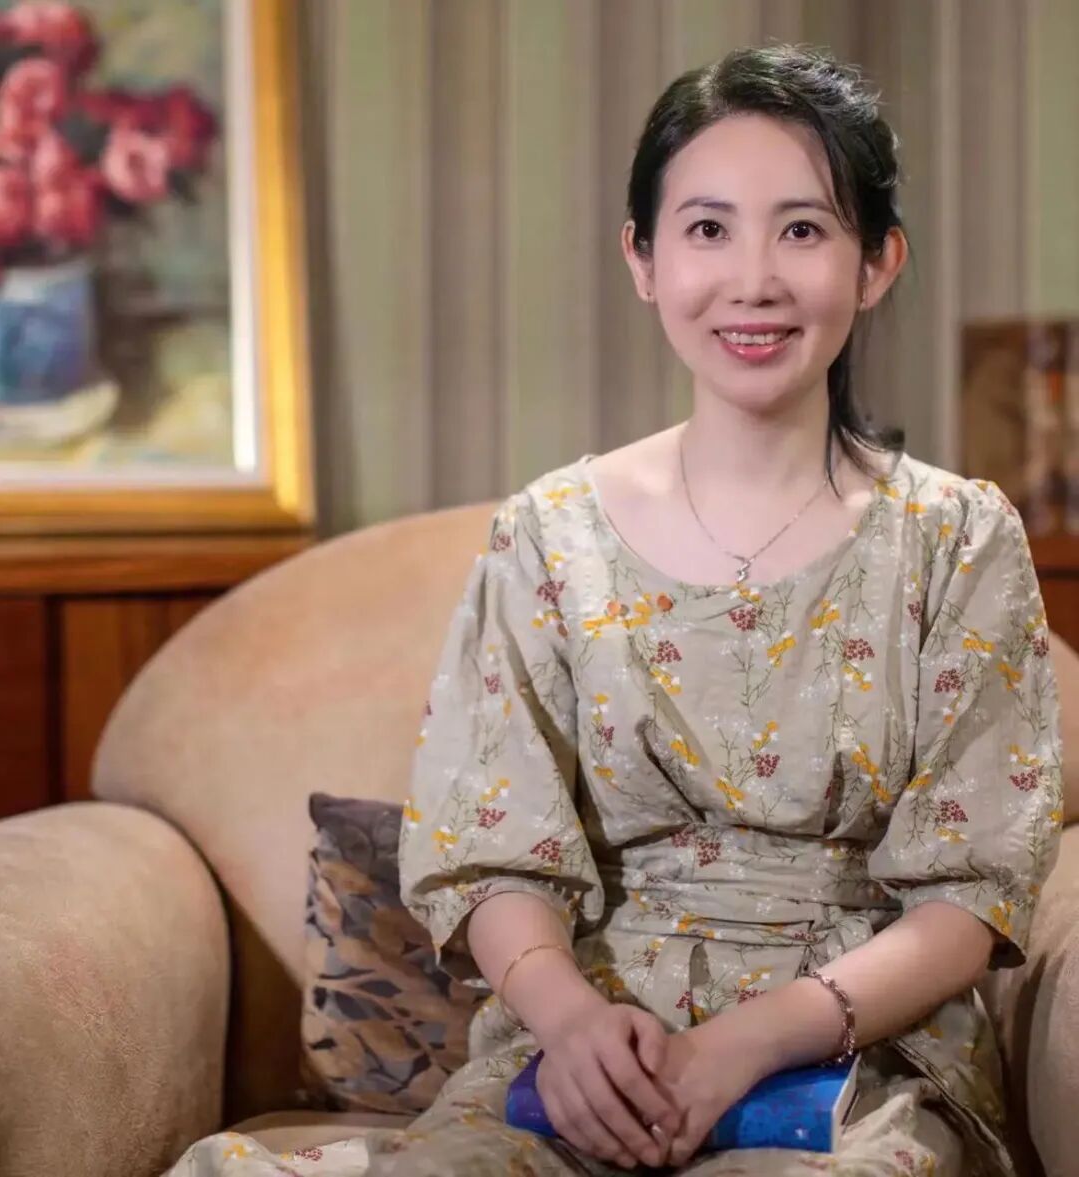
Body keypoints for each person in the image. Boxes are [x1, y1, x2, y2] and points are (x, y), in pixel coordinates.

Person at [165, 42, 1062, 1177]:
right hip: (585, 1047)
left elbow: (972, 892)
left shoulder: (957, 538)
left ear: (878, 261)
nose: (752, 279)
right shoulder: (550, 535)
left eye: (802, 229)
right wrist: (576, 1024)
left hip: (853, 1058)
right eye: (707, 229)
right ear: (642, 257)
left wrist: (749, 1040)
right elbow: (493, 856)